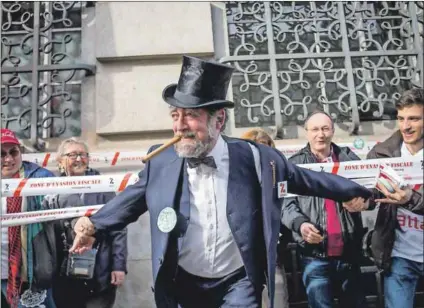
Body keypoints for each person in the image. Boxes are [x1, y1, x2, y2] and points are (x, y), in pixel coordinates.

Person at [68, 56, 372, 308]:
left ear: (219, 121)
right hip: (183, 282)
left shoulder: (257, 158)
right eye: (176, 115)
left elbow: (310, 180)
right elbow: (133, 199)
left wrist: (360, 192)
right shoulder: (161, 161)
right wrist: (93, 224)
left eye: (191, 116)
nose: (179, 126)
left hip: (238, 282)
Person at [281, 111, 368, 308]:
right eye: (315, 129)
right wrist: (301, 225)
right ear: (306, 133)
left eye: (325, 128)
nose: (320, 134)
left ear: (333, 131)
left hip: (349, 254)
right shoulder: (294, 165)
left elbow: (370, 190)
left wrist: (363, 202)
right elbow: (286, 205)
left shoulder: (348, 158)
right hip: (314, 256)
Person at [47, 138, 128, 308]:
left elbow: (118, 228)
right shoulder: (52, 189)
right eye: (73, 155)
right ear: (60, 160)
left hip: (100, 271)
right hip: (64, 272)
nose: (79, 159)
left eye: (83, 154)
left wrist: (119, 266)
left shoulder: (102, 186)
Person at [366, 88, 423, 308]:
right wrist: (361, 200)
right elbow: (372, 193)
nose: (406, 126)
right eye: (401, 119)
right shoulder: (382, 153)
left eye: (414, 119)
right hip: (399, 254)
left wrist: (410, 198)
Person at [1, 128, 57, 308]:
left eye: (13, 152)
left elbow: (62, 204)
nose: (8, 159)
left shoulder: (40, 177)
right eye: (1, 154)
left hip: (31, 268)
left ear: (20, 152)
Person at [241, 128, 289, 308]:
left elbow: (285, 205)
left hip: (273, 252)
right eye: (256, 148)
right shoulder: (237, 176)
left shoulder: (279, 173)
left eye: (266, 148)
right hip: (243, 257)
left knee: (277, 300)